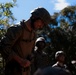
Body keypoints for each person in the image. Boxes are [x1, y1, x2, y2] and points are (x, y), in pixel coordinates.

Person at [0, 7, 52, 75]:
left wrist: (30, 58)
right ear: (34, 17)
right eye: (41, 22)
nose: (41, 26)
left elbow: (32, 52)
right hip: (13, 71)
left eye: (43, 25)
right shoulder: (17, 29)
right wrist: (20, 61)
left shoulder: (34, 34)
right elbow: (4, 47)